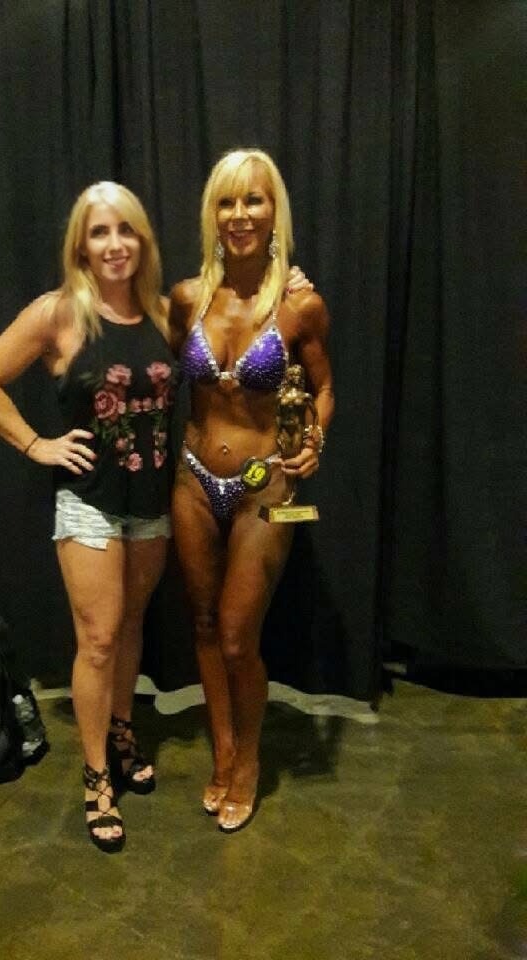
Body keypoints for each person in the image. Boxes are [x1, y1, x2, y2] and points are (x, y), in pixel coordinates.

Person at [0, 182, 176, 853]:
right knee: (99, 640)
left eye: (125, 230)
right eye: (99, 232)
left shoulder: (164, 312)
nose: (114, 244)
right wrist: (36, 444)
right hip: (88, 503)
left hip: (152, 504)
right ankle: (95, 774)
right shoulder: (59, 313)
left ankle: (122, 730)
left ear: (142, 240)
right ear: (80, 245)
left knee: (132, 626)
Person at [168, 148, 334, 833]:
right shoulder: (187, 299)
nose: (240, 215)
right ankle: (224, 750)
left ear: (274, 212)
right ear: (212, 214)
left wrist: (313, 439)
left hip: (265, 484)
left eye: (254, 200)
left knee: (239, 638)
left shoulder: (299, 305)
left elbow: (324, 388)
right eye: (227, 201)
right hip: (192, 479)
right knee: (205, 627)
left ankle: (250, 760)